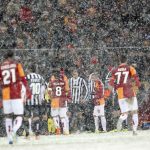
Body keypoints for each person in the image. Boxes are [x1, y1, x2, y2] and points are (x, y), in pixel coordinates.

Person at [0, 50, 31, 144]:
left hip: (6, 93)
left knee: (8, 117)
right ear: (12, 56)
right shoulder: (17, 64)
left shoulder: (1, 66)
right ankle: (13, 131)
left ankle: (9, 137)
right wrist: (27, 88)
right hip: (15, 92)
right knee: (19, 116)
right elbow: (23, 78)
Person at [109, 55, 141, 135]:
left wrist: (114, 90)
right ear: (126, 61)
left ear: (119, 61)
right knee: (134, 112)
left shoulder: (114, 70)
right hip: (129, 90)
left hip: (120, 93)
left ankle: (121, 118)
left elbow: (110, 84)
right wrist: (137, 86)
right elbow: (136, 79)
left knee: (125, 113)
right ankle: (134, 130)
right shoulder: (130, 68)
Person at [24, 65, 47, 139]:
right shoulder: (40, 77)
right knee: (36, 117)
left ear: (30, 69)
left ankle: (27, 134)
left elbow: (22, 88)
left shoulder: (26, 77)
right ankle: (37, 133)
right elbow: (44, 87)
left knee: (26, 117)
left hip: (28, 100)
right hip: (37, 100)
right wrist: (41, 97)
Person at [48, 67, 70, 135]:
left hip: (54, 100)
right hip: (62, 100)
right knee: (63, 117)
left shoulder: (52, 81)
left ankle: (58, 129)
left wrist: (50, 98)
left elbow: (49, 91)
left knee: (55, 116)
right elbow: (67, 90)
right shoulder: (63, 81)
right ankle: (65, 130)